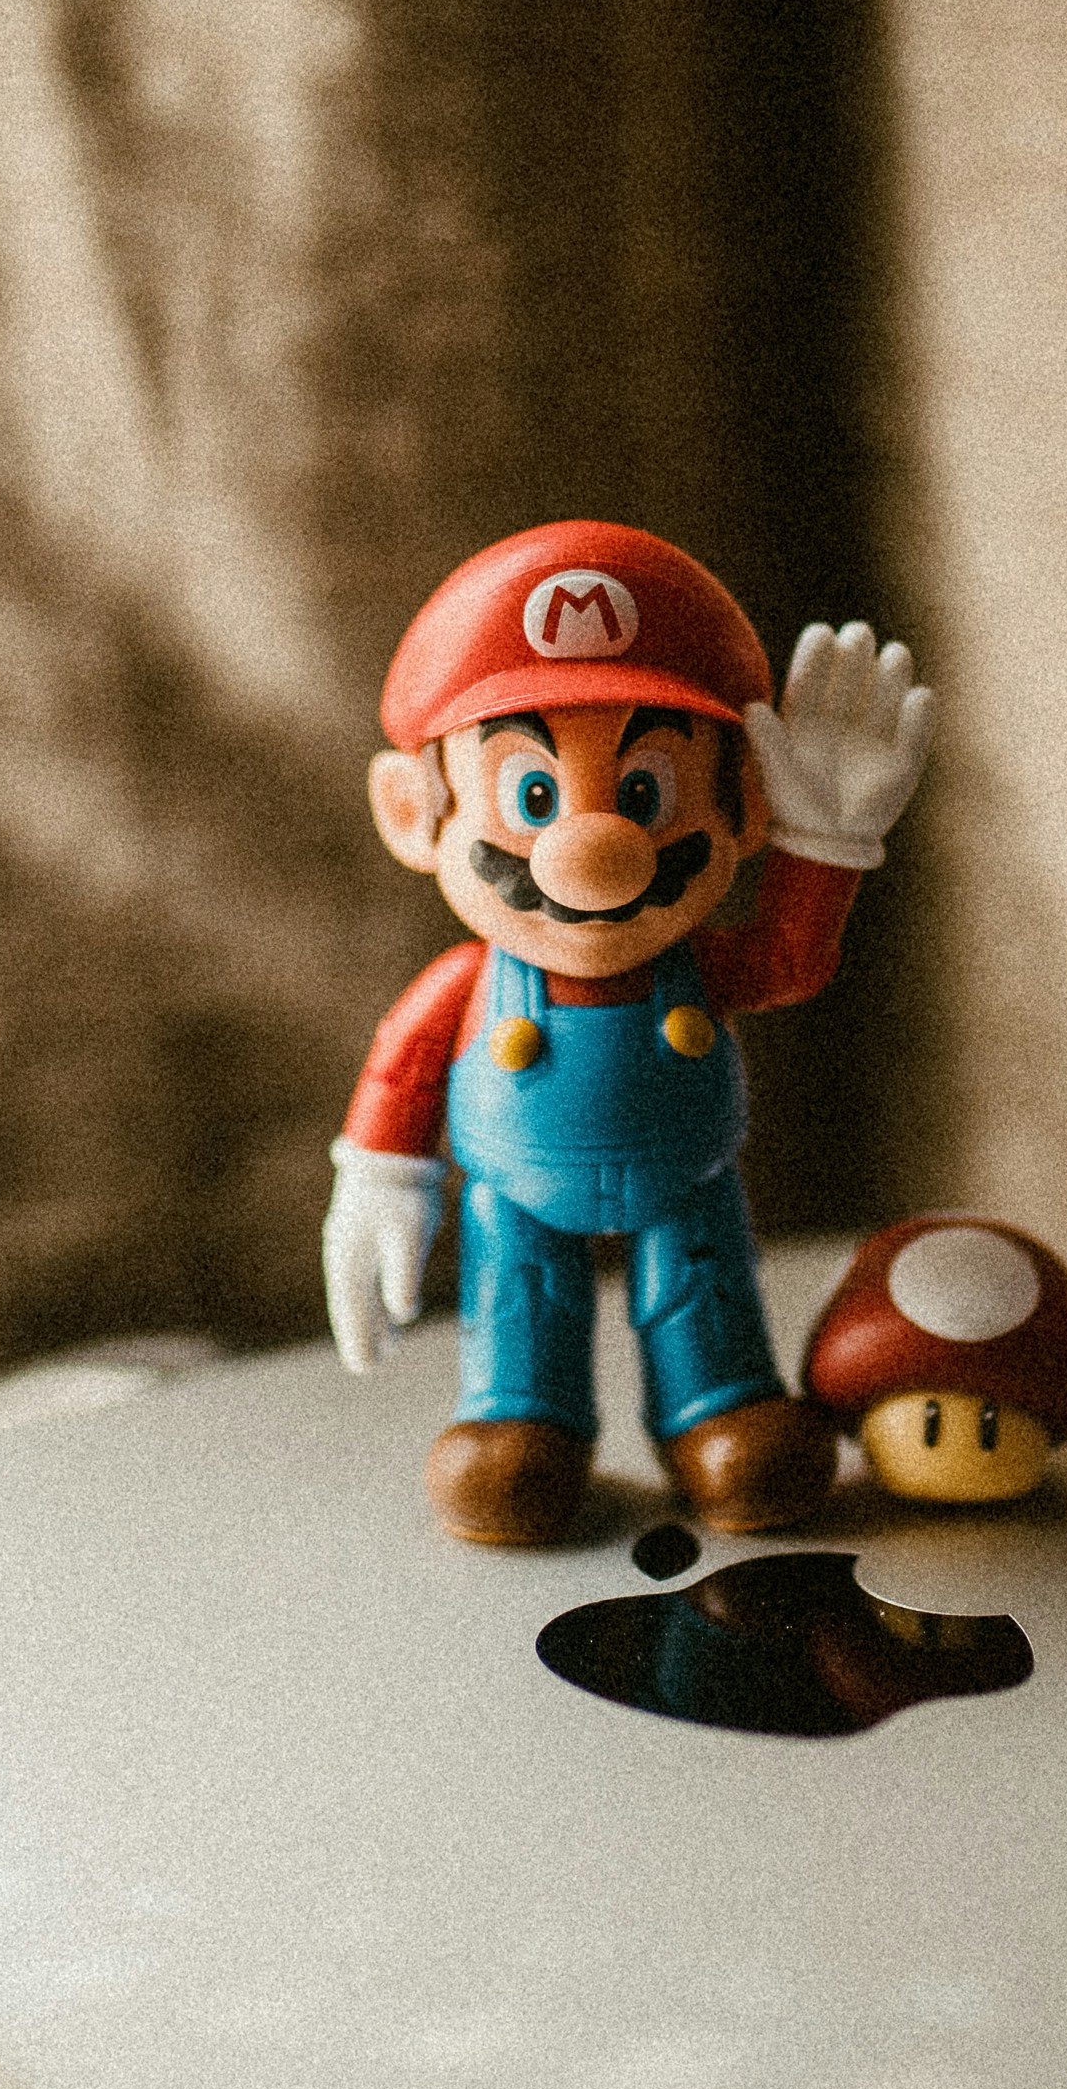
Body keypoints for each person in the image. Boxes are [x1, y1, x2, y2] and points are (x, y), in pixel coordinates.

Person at [322, 522, 934, 1542]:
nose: (593, 847)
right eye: (533, 794)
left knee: (701, 1293)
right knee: (521, 1305)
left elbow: (791, 962)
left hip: (686, 1185)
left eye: (643, 793)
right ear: (411, 811)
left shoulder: (697, 962)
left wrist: (824, 843)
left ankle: (719, 1411)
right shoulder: (470, 983)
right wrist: (382, 1179)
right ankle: (522, 1419)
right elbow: (406, 1066)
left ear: (744, 803)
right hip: (516, 1196)